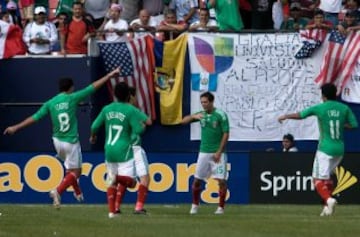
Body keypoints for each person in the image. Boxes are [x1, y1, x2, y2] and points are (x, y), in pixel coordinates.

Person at [3, 67, 121, 209]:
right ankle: (57, 191)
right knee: (77, 172)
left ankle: (76, 193)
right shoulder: (72, 98)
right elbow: (93, 87)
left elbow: (34, 118)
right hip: (71, 141)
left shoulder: (51, 103)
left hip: (57, 142)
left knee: (69, 171)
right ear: (71, 88)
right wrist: (109, 75)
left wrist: (16, 127)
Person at [278, 83, 358, 216]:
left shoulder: (320, 108)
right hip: (339, 149)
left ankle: (329, 200)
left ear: (323, 96)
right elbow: (354, 125)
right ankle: (327, 208)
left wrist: (286, 116)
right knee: (328, 178)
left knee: (317, 179)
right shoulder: (344, 108)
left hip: (325, 149)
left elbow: (301, 115)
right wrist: (340, 125)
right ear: (335, 94)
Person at [90, 82, 146, 218]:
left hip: (108, 149)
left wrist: (93, 136)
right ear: (128, 95)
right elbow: (138, 130)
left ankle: (112, 211)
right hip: (124, 150)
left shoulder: (107, 109)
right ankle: (115, 179)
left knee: (111, 181)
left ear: (114, 94)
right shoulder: (130, 110)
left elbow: (94, 125)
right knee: (131, 183)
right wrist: (142, 126)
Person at [181, 91, 230, 215]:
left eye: (205, 102)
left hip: (218, 153)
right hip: (203, 152)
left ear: (212, 102)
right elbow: (183, 121)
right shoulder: (201, 115)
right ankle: (195, 205)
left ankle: (221, 208)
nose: (203, 105)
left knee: (221, 181)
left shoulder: (220, 115)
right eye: (202, 102)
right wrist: (193, 117)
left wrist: (219, 151)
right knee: (197, 180)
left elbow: (226, 133)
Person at [114, 86, 152, 214]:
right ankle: (139, 207)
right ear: (131, 97)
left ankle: (116, 206)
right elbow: (148, 123)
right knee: (145, 178)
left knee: (125, 179)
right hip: (135, 148)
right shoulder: (132, 111)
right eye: (135, 96)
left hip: (122, 150)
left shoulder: (115, 111)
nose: (136, 99)